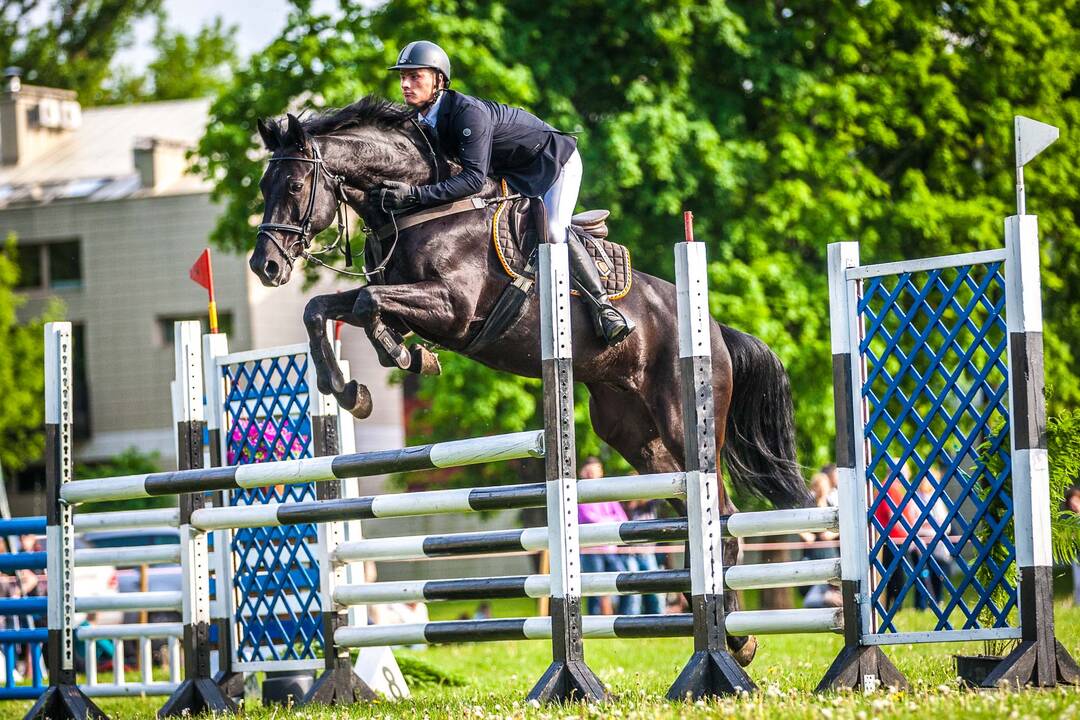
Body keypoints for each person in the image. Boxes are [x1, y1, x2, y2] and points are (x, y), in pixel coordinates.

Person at [380, 40, 634, 346]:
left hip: (552, 161)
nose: (405, 84)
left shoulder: (466, 114)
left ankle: (604, 308)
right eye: (402, 77)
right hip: (510, 173)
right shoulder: (420, 120)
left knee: (554, 229)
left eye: (414, 76)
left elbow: (473, 179)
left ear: (439, 79)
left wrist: (415, 196)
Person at [576, 457, 629, 614]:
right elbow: (589, 518)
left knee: (623, 580)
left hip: (610, 549)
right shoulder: (580, 492)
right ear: (583, 472)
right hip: (591, 550)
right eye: (590, 471)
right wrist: (610, 521)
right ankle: (594, 621)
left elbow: (623, 518)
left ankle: (623, 618)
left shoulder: (606, 493)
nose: (593, 474)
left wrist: (605, 521)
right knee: (594, 587)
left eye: (596, 470)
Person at [913, 468, 954, 610]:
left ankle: (937, 600)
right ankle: (921, 605)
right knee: (921, 574)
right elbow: (912, 522)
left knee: (938, 573)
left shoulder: (936, 499)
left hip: (936, 542)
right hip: (920, 541)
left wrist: (929, 527)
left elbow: (944, 523)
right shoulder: (915, 498)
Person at [801, 471, 842, 609]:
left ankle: (834, 599)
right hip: (813, 550)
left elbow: (840, 526)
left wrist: (830, 535)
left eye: (825, 485)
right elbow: (799, 524)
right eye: (820, 486)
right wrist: (806, 534)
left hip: (828, 548)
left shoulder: (830, 503)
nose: (823, 489)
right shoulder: (809, 503)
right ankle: (825, 599)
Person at [621, 499, 665, 615]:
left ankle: (659, 622)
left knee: (655, 593)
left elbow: (657, 498)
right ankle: (629, 624)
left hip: (648, 554)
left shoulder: (649, 502)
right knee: (633, 595)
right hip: (630, 554)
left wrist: (637, 500)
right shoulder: (624, 503)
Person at [1067, 487, 1080, 607]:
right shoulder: (1071, 520)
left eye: (1075, 503)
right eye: (1071, 504)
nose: (1074, 506)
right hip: (1077, 554)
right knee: (1078, 582)